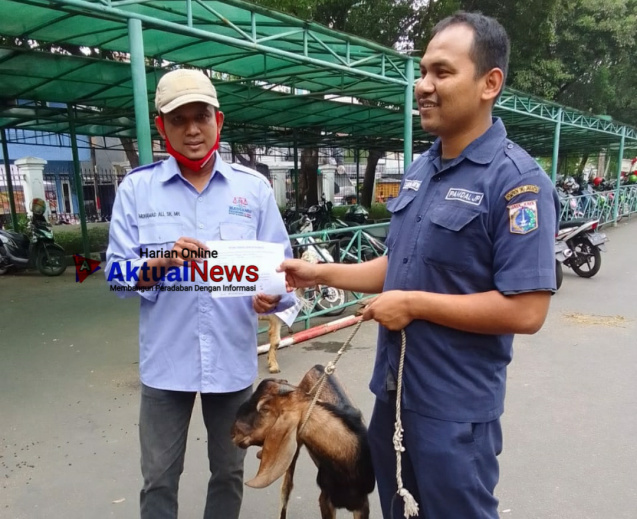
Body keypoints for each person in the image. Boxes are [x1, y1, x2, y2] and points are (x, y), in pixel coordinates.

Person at [279, 12, 560, 519]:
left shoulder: (517, 183)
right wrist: (319, 273)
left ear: (488, 84)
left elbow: (526, 310)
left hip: (454, 410)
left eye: (442, 72)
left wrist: (413, 305)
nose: (422, 85)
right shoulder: (420, 169)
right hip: (393, 395)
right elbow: (398, 265)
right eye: (422, 70)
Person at [106, 68, 295, 519]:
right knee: (158, 479)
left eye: (202, 117)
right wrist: (159, 264)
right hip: (165, 367)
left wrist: (271, 296)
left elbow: (283, 274)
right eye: (179, 119)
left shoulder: (253, 191)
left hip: (230, 365)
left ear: (219, 121)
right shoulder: (137, 190)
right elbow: (114, 274)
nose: (192, 129)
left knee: (228, 474)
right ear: (162, 127)